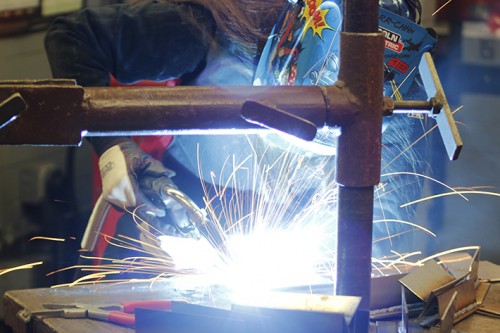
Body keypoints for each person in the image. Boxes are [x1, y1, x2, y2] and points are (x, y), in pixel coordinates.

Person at [44, 0, 426, 264]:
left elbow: (384, 232)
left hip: (297, 236)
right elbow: (73, 38)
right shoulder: (216, 27)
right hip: (179, 217)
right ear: (293, 39)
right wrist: (114, 146)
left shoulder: (397, 89)